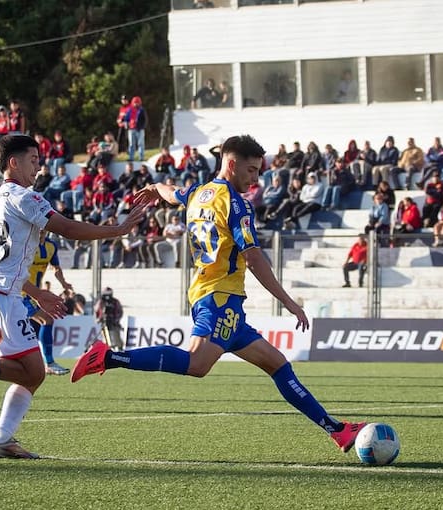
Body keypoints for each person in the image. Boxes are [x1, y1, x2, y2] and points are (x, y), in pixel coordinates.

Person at [70, 134, 367, 456]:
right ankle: (109, 356)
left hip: (217, 298)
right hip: (220, 296)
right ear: (231, 163)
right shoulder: (236, 205)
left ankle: (337, 431)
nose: (256, 178)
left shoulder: (199, 192)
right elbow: (253, 258)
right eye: (252, 170)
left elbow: (173, 194)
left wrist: (156, 189)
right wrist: (289, 302)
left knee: (278, 365)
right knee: (197, 364)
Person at [0, 134, 144, 459]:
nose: (39, 166)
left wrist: (36, 291)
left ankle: (1, 439)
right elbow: (68, 228)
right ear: (13, 163)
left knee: (30, 374)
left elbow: (2, 259)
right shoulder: (23, 197)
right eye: (33, 160)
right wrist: (117, 230)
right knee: (33, 371)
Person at [23, 229, 74, 375]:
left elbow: (56, 268)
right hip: (22, 293)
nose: (40, 232)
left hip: (34, 294)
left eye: (42, 230)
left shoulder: (51, 246)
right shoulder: (26, 245)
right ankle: (49, 363)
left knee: (45, 322)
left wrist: (64, 284)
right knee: (46, 320)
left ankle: (46, 362)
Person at [124, 96, 147, 162]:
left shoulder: (142, 110)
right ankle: (131, 157)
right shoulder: (130, 110)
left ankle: (141, 157)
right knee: (131, 144)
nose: (136, 104)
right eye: (135, 103)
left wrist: (142, 127)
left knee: (141, 143)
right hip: (131, 129)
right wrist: (126, 125)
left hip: (140, 129)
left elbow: (145, 120)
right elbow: (126, 119)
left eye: (137, 103)